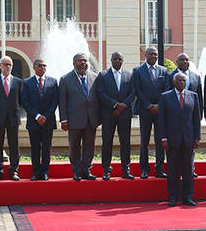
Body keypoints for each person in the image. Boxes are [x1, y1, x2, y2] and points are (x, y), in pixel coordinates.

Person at [159, 73, 201, 207]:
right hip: (172, 139)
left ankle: (187, 196)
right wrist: (164, 138)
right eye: (180, 81)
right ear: (174, 82)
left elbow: (196, 119)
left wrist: (197, 137)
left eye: (184, 81)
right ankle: (173, 196)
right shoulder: (165, 97)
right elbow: (162, 120)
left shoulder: (193, 96)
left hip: (188, 139)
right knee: (172, 169)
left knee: (188, 169)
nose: (182, 83)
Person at [59, 53, 100, 181]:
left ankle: (86, 170)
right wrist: (63, 119)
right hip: (74, 119)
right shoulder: (65, 79)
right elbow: (62, 101)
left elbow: (99, 99)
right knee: (74, 146)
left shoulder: (95, 77)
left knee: (89, 146)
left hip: (91, 120)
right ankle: (76, 171)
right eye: (80, 61)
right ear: (74, 63)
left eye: (85, 61)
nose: (83, 63)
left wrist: (99, 118)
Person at [96, 52, 135, 180]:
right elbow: (101, 93)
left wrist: (123, 105)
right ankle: (106, 169)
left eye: (120, 59)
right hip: (109, 114)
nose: (117, 61)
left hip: (124, 114)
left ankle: (126, 169)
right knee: (107, 142)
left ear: (122, 60)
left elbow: (133, 93)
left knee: (125, 142)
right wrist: (115, 105)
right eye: (115, 59)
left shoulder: (129, 75)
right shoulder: (103, 75)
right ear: (111, 60)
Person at [133, 46, 169, 179]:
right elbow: (137, 90)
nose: (154, 56)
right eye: (151, 54)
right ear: (145, 55)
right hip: (145, 110)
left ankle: (159, 168)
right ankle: (144, 169)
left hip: (160, 111)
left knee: (160, 140)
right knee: (145, 140)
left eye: (156, 54)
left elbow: (166, 89)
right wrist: (149, 105)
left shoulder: (163, 70)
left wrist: (159, 105)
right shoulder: (137, 71)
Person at [0, 56, 23, 181]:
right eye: (5, 64)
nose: (8, 67)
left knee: (14, 145)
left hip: (13, 118)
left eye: (10, 65)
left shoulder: (18, 82)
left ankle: (14, 171)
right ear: (0, 65)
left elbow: (21, 101)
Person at [21, 59, 59, 181]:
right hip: (34, 121)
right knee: (35, 148)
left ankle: (45, 172)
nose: (42, 67)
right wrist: (37, 116)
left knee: (47, 148)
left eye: (44, 65)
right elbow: (24, 102)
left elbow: (55, 101)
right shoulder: (27, 82)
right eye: (40, 65)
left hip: (48, 121)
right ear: (34, 67)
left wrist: (46, 116)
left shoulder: (53, 82)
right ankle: (36, 172)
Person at [168, 52, 203, 178]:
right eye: (182, 60)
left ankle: (190, 169)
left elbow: (199, 97)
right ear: (177, 62)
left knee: (190, 147)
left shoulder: (195, 77)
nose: (185, 62)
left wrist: (199, 115)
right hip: (175, 119)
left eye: (187, 60)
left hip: (190, 117)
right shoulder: (170, 76)